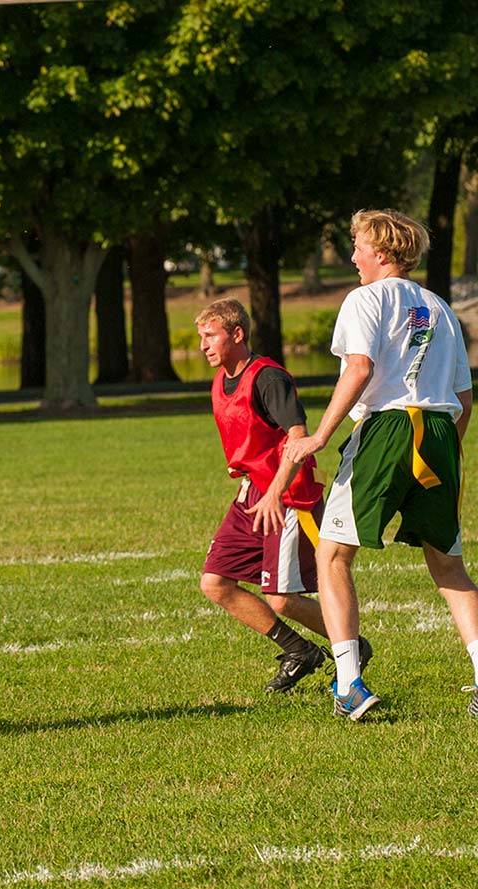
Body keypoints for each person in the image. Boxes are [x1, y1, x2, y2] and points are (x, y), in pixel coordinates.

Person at [285, 209, 478, 720]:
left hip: (388, 427)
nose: (352, 257)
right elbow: (464, 395)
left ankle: (348, 682)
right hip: (439, 432)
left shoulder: (365, 299)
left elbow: (361, 367)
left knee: (332, 556)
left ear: (382, 252)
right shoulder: (439, 307)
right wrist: (446, 451)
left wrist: (321, 436)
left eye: (357, 246)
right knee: (448, 562)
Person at [195, 299, 356, 693]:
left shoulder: (268, 378)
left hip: (287, 498)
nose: (203, 345)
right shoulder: (222, 378)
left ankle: (350, 648)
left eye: (210, 335)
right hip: (252, 493)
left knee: (282, 597)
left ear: (237, 334)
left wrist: (276, 493)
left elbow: (298, 440)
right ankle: (298, 650)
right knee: (215, 583)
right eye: (200, 337)